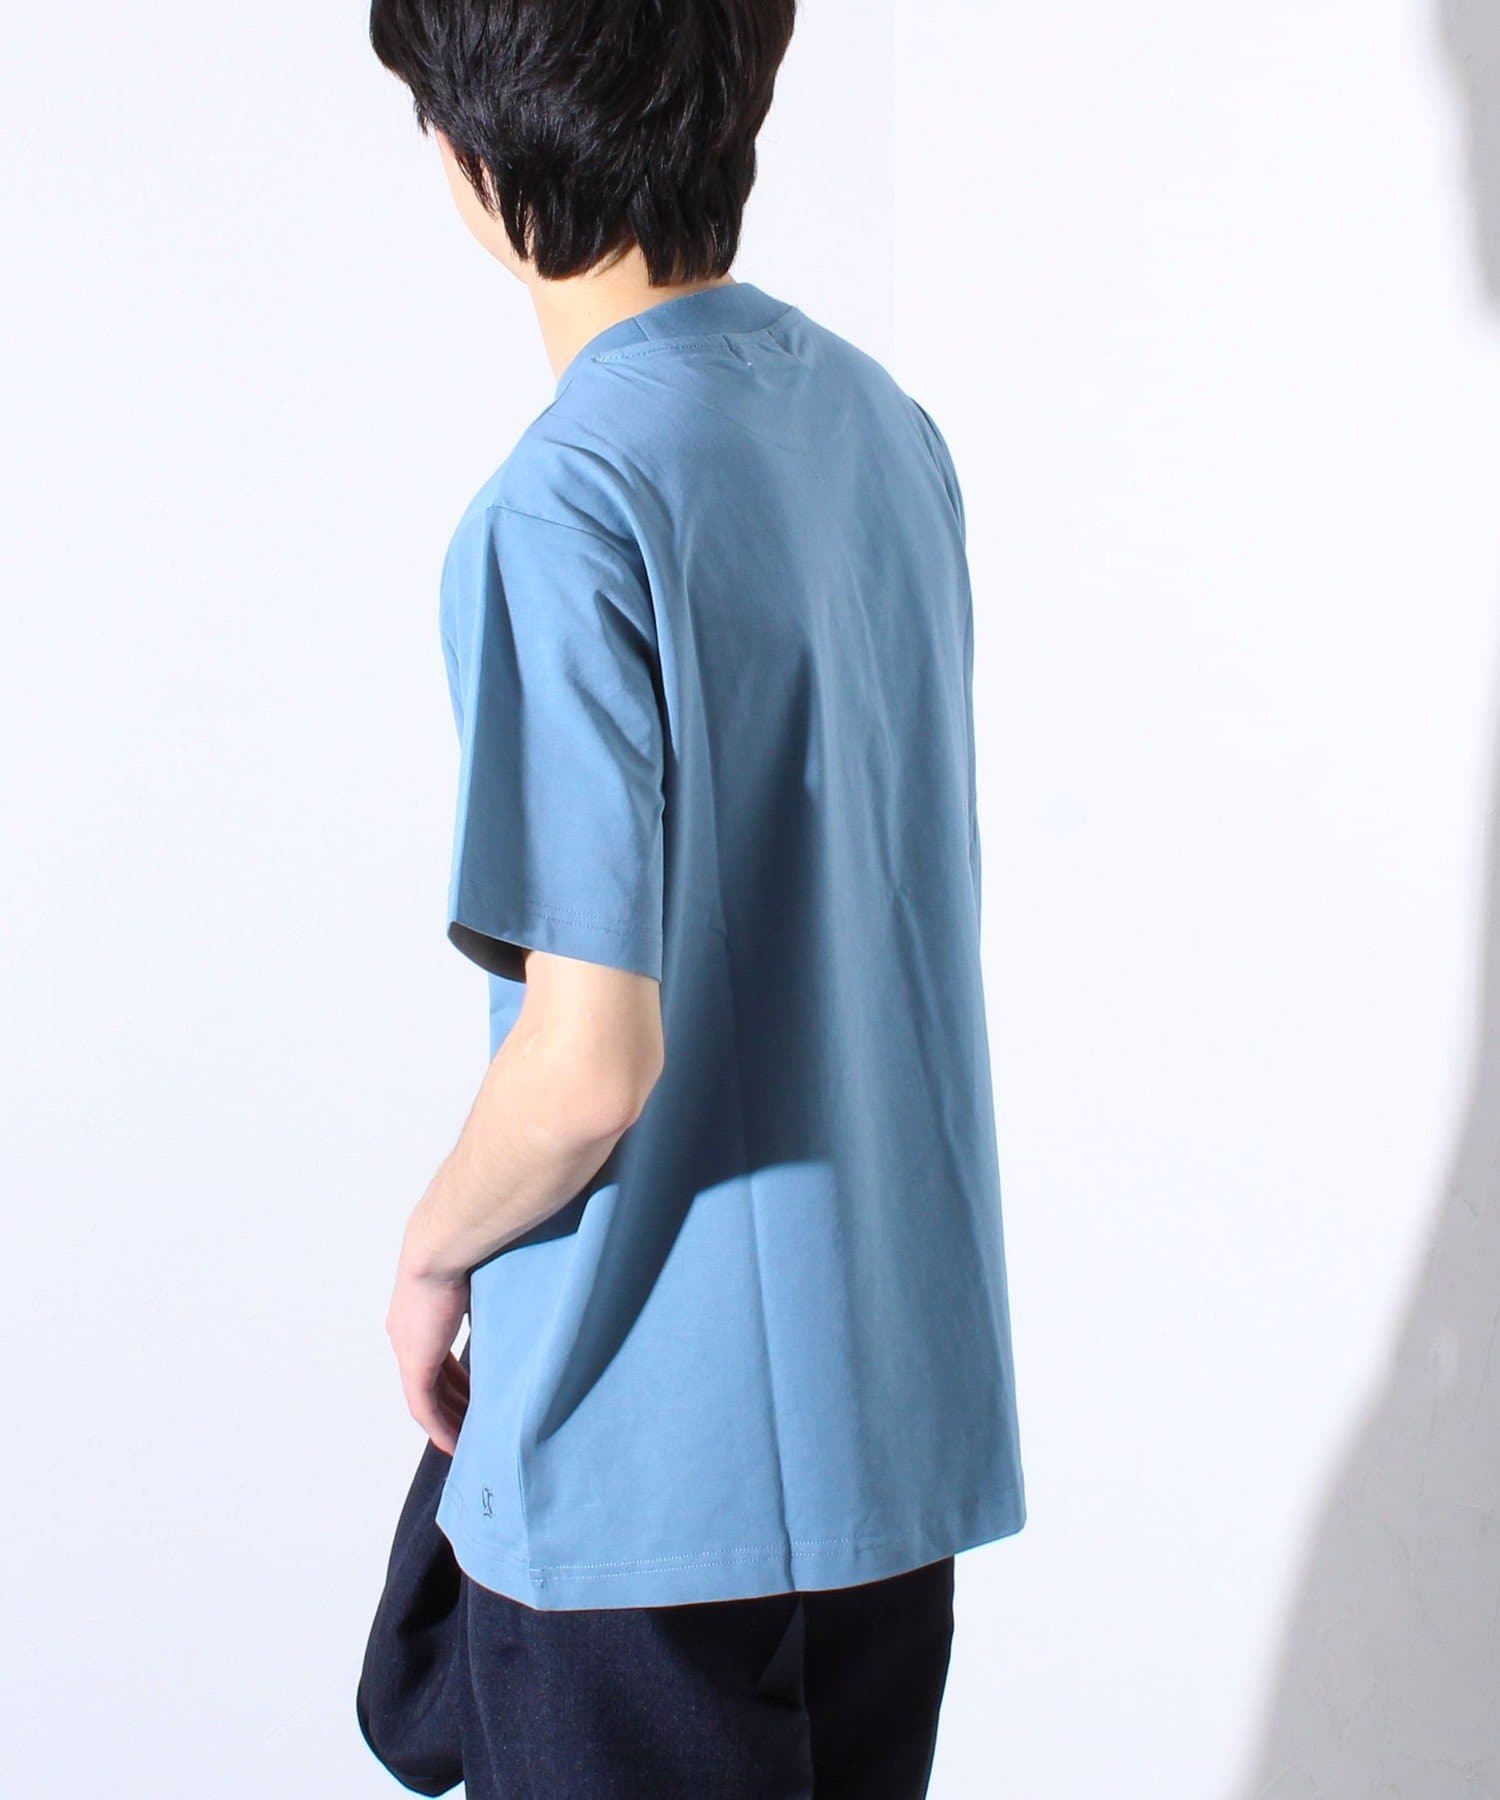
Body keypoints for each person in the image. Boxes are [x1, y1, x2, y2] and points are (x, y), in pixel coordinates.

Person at [368, 2, 1026, 1793]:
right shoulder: (883, 432)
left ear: (476, 161)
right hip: (886, 1443)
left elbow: (590, 1067)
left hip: (641, 1482)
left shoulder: (564, 503)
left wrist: (430, 1248)